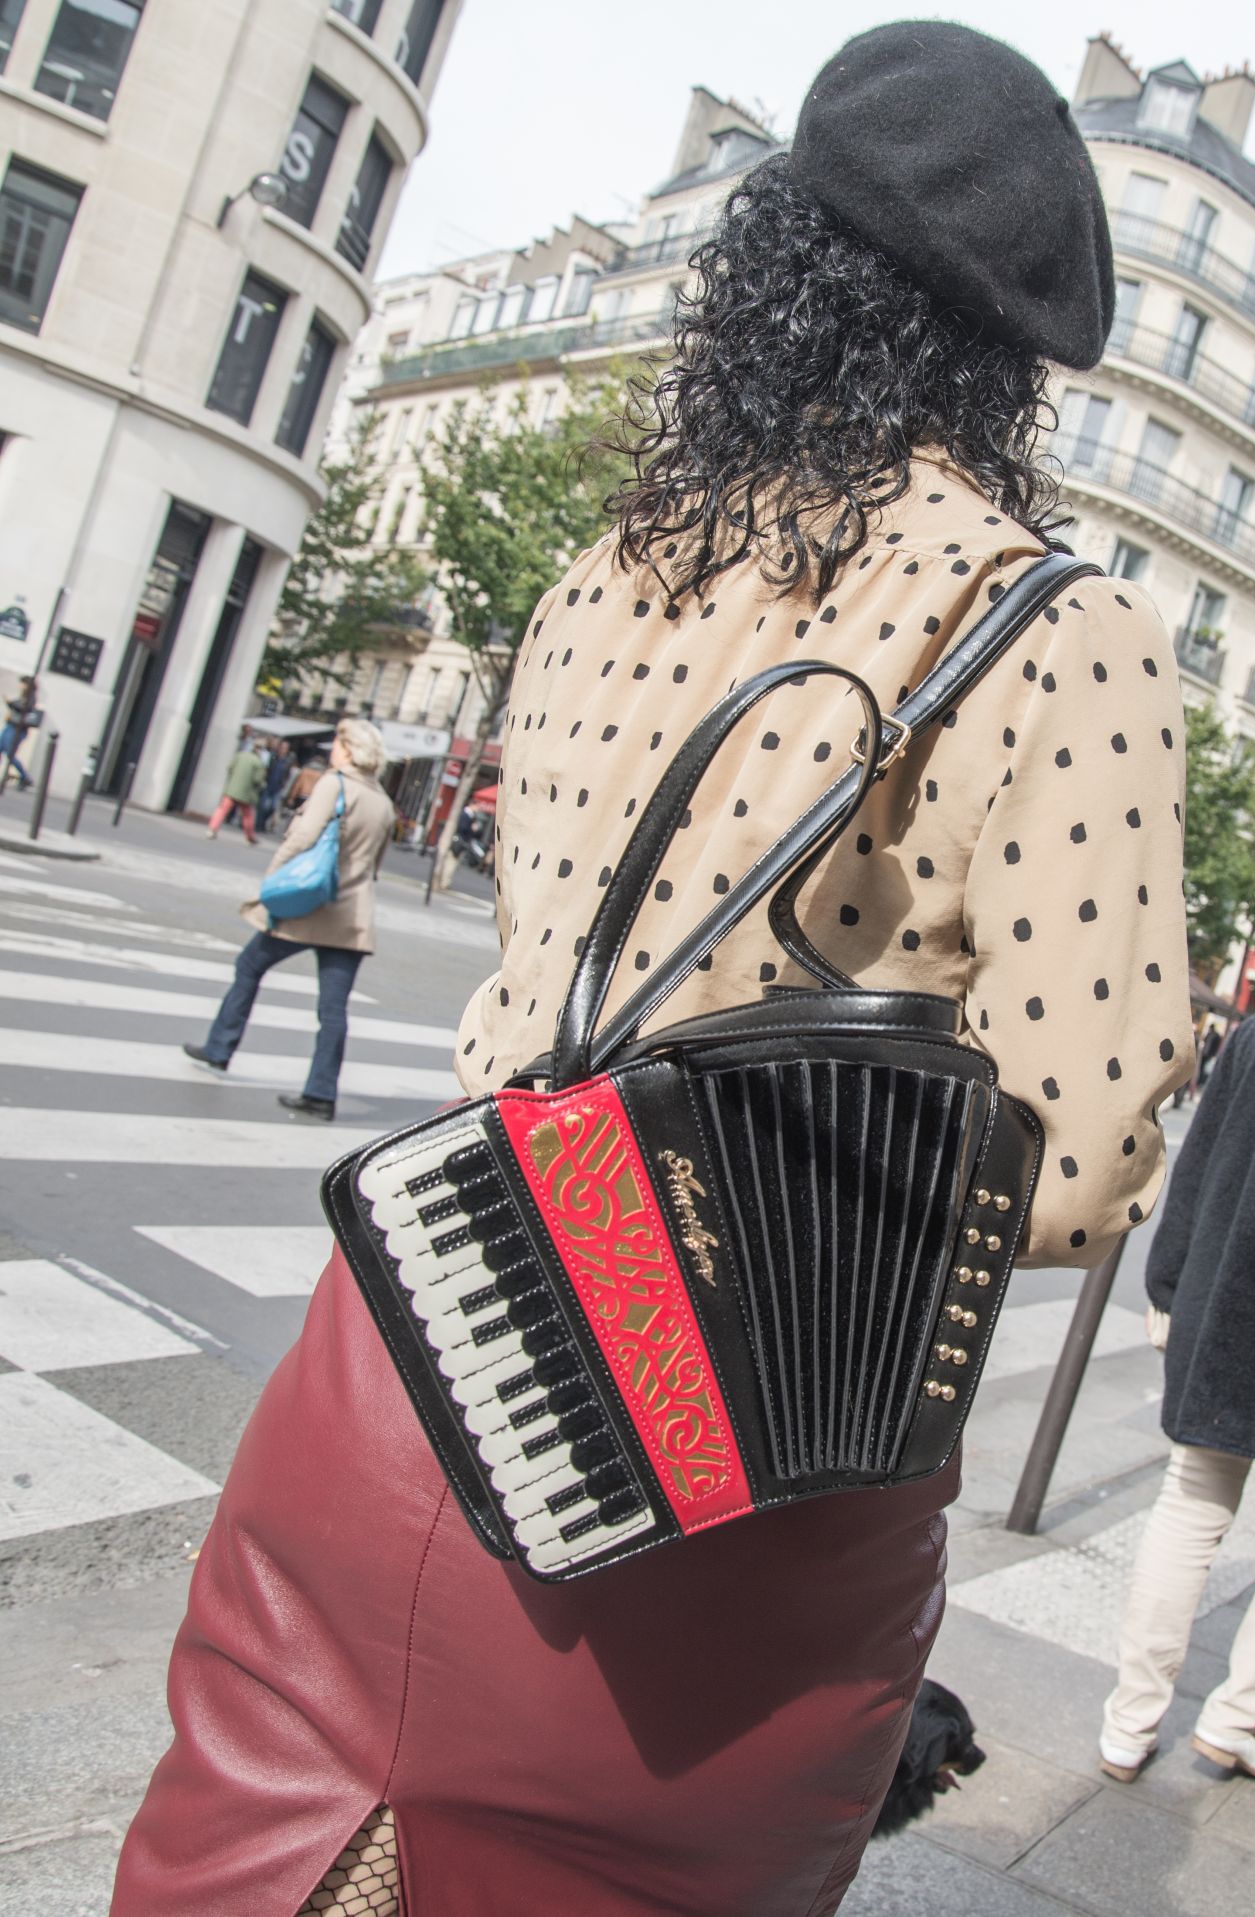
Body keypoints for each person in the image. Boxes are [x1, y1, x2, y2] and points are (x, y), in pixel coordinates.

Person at [114, 26, 1194, 1914]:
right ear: (1013, 353)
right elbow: (1081, 1164)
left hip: (400, 1361)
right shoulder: (1056, 631)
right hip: (720, 1512)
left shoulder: (609, 564)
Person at [1100, 1005, 1255, 1785]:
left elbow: (1199, 1161)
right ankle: (1235, 1717)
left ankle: (1128, 1724)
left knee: (1191, 1499)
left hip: (1232, 1293)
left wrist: (1167, 1280)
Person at [183, 718, 395, 1120]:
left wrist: (273, 878)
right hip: (351, 915)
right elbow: (375, 866)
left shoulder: (336, 783)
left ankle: (219, 1048)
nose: (333, 748)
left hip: (307, 905)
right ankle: (320, 1093)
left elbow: (303, 837)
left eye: (337, 742)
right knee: (332, 1009)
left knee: (249, 966)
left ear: (348, 749)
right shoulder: (383, 803)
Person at [207, 736, 268, 842]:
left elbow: (230, 768)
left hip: (232, 789)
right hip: (246, 793)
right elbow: (257, 780)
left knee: (222, 810)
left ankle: (212, 829)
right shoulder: (258, 763)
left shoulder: (240, 755)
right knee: (247, 815)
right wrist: (262, 785)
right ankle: (250, 836)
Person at [0, 677, 40, 790]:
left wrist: (10, 703)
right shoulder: (24, 696)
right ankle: (24, 777)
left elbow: (23, 708)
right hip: (10, 726)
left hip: (17, 729)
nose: (20, 686)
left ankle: (25, 777)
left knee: (10, 753)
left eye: (22, 684)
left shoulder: (30, 697)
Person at [256, 737, 297, 836]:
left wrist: (284, 784)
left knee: (272, 807)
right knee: (263, 806)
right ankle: (259, 824)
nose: (283, 749)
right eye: (282, 747)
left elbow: (287, 774)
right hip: (268, 784)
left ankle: (263, 822)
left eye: (285, 748)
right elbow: (266, 769)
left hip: (278, 787)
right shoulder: (273, 757)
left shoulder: (287, 761)